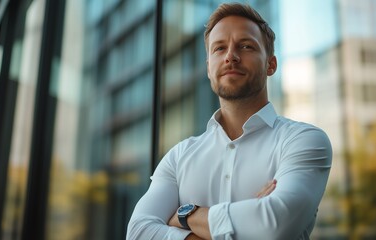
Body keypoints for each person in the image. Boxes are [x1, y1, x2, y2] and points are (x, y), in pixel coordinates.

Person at [126, 3, 332, 240]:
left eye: (245, 46)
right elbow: (138, 232)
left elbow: (274, 224)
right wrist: (248, 222)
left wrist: (184, 216)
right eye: (219, 48)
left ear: (271, 64)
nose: (231, 57)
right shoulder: (178, 157)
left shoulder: (303, 140)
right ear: (208, 68)